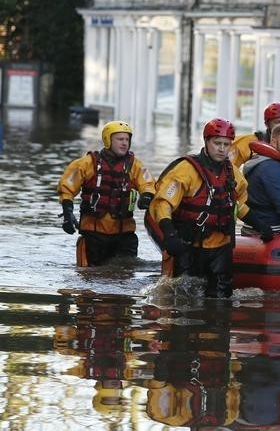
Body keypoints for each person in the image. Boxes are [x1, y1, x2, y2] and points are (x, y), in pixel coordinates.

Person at [146, 118, 269, 298]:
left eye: (226, 144)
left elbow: (236, 205)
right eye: (217, 143)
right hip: (190, 247)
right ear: (206, 141)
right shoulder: (185, 170)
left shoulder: (233, 174)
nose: (221, 148)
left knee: (221, 301)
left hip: (221, 249)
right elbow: (163, 202)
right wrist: (169, 233)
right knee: (184, 301)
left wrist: (260, 224)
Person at [57, 120, 155, 267]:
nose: (124, 143)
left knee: (125, 275)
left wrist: (147, 196)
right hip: (94, 234)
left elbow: (148, 183)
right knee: (93, 276)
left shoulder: (135, 165)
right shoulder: (87, 163)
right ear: (107, 140)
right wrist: (67, 213)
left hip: (124, 235)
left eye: (127, 140)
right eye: (119, 139)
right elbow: (67, 187)